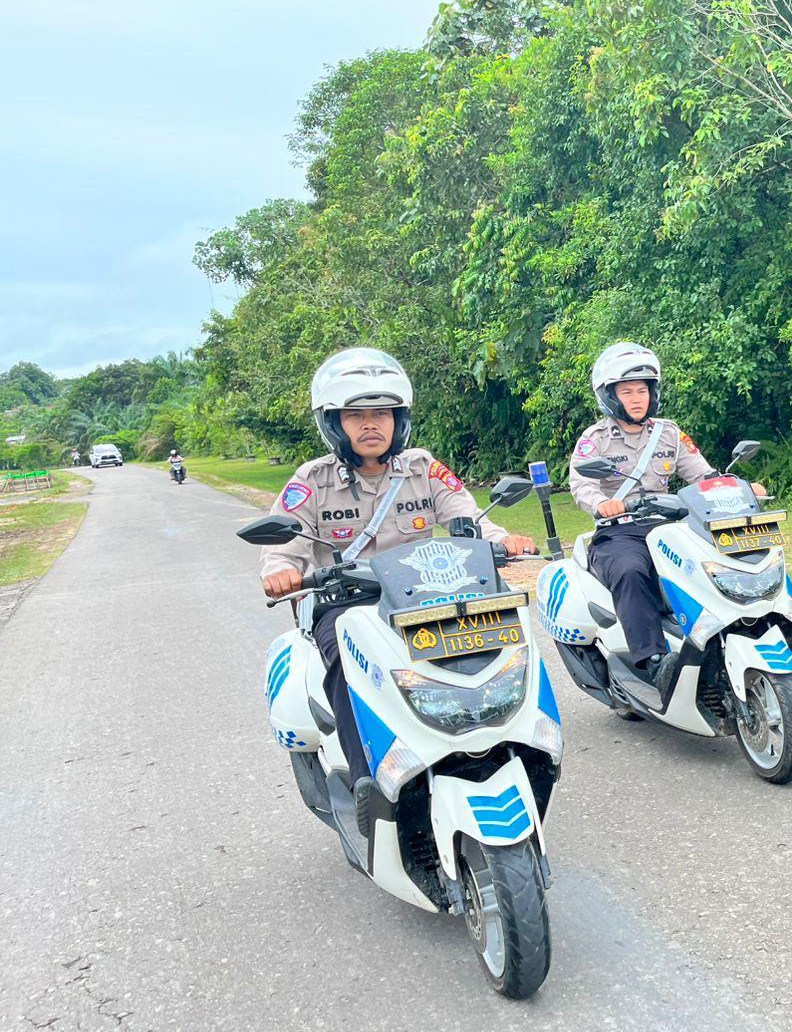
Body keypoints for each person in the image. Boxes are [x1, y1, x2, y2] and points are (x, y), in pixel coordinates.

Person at [259, 347, 540, 799]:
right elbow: (283, 547)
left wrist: (503, 540)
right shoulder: (311, 480)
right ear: (334, 423)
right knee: (347, 665)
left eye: (382, 414)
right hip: (347, 604)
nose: (370, 425)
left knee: (498, 642)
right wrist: (281, 571)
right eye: (356, 415)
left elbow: (468, 517)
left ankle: (505, 742)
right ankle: (366, 779)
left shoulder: (423, 468)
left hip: (425, 595)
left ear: (399, 419)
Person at [568, 342, 765, 698]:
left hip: (669, 524)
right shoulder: (595, 439)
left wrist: (739, 487)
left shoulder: (670, 433)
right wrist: (602, 504)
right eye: (627, 392)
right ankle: (654, 661)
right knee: (630, 571)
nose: (636, 399)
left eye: (642, 391)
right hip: (621, 532)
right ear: (610, 397)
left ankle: (723, 636)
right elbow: (581, 484)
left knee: (711, 563)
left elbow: (703, 476)